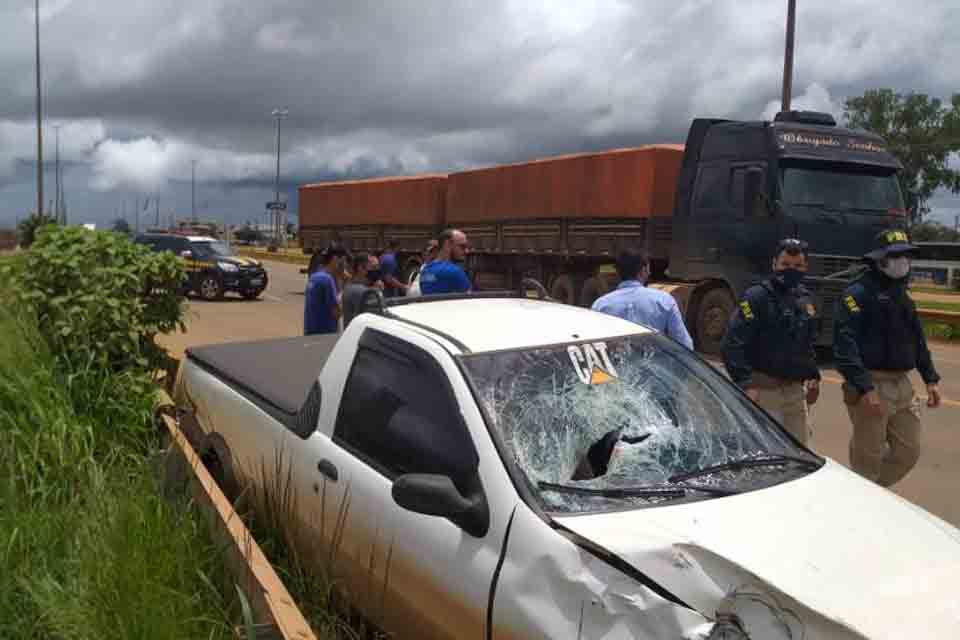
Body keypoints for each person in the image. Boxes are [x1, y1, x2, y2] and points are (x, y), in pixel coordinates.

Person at [833, 228, 941, 487]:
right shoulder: (857, 295)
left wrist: (930, 379)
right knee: (867, 457)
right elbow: (844, 347)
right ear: (879, 260)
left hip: (902, 385)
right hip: (871, 384)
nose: (903, 262)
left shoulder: (902, 296)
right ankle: (864, 502)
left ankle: (872, 494)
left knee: (908, 452)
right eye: (896, 256)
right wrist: (865, 387)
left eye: (906, 256)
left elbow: (917, 341)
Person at [721, 238, 821, 444]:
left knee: (801, 452)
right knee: (766, 455)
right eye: (785, 265)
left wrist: (813, 375)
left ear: (805, 267)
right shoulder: (756, 297)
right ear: (774, 264)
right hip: (763, 392)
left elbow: (806, 342)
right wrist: (745, 383)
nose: (791, 270)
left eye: (797, 266)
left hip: (795, 393)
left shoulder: (805, 299)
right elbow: (732, 343)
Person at [591, 248, 693, 350]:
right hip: (654, 364)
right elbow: (684, 345)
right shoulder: (665, 301)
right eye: (648, 268)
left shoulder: (600, 305)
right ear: (643, 271)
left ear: (618, 272)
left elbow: (592, 346)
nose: (649, 273)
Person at [304, 245, 344, 335]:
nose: (342, 266)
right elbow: (336, 313)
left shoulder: (314, 276)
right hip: (324, 334)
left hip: (311, 332)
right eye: (341, 261)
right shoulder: (327, 279)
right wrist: (341, 289)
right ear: (335, 259)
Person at [419, 229, 472, 295]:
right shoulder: (454, 272)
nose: (467, 251)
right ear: (447, 244)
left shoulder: (425, 271)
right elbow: (468, 300)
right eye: (462, 246)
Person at [342, 253, 384, 328]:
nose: (375, 271)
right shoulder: (365, 292)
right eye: (372, 267)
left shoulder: (348, 287)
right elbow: (379, 317)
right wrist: (378, 292)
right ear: (360, 268)